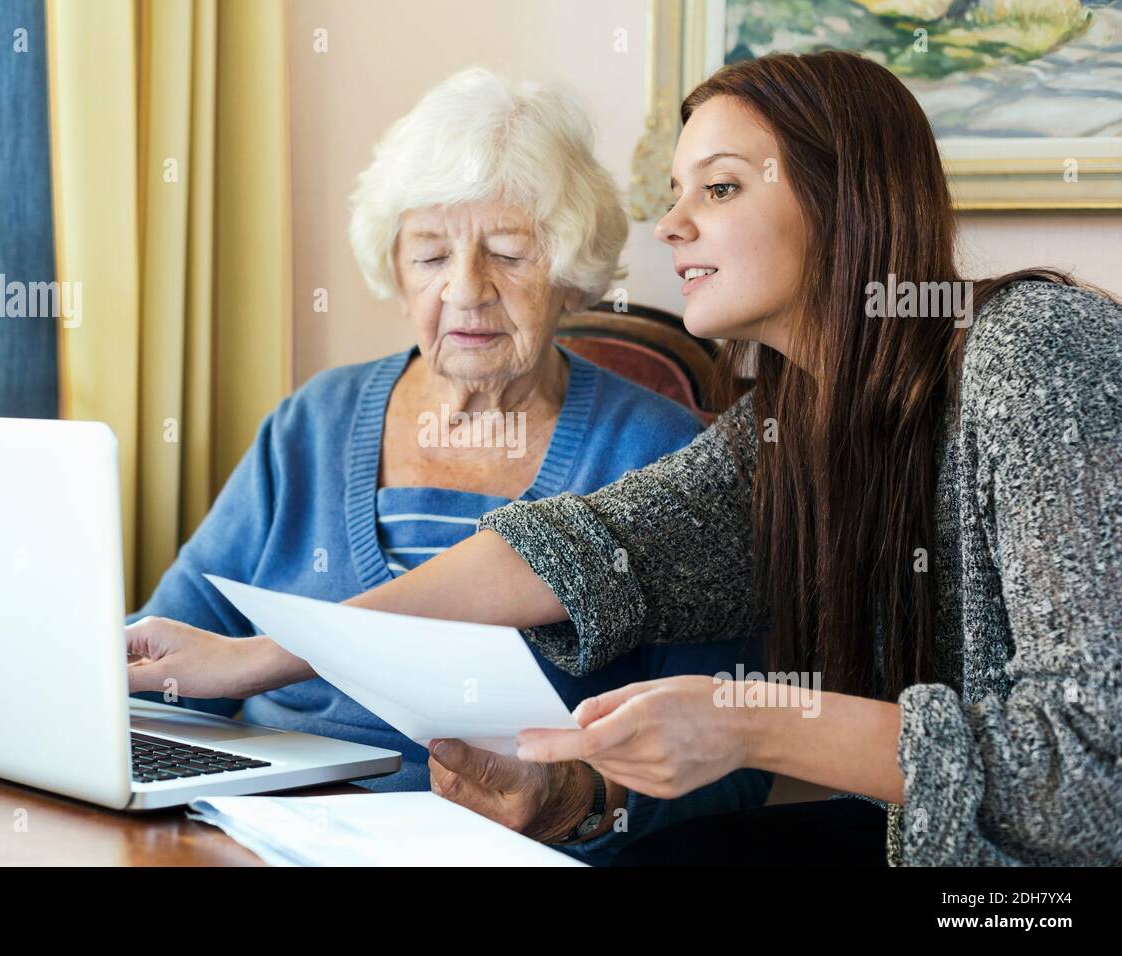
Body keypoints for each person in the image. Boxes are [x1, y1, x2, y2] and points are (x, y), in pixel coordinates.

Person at [115, 51, 1121, 866]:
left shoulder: (1032, 349)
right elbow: (573, 549)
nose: (670, 224)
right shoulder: (787, 426)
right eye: (676, 191)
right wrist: (270, 650)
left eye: (719, 188)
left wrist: (746, 720)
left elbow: (1094, 775)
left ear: (844, 202)